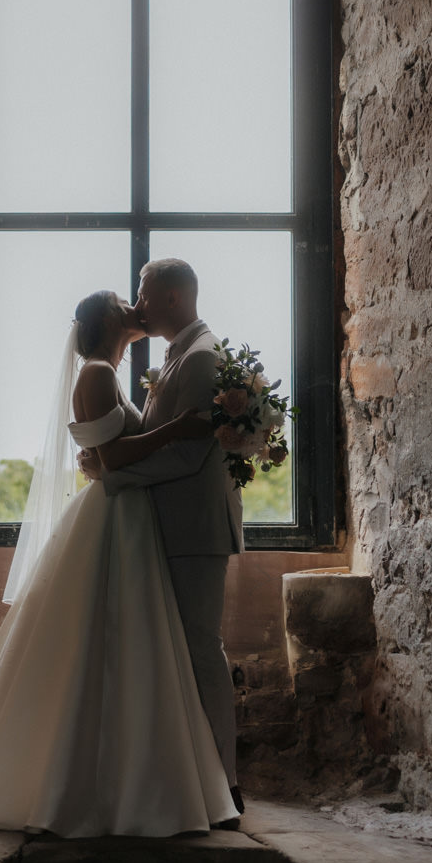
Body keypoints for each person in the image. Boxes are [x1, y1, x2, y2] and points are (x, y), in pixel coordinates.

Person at [0, 289, 238, 837]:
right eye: (123, 300)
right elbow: (112, 458)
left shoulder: (109, 370)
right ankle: (95, 782)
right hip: (116, 513)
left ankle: (141, 774)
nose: (135, 304)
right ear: (106, 319)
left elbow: (107, 455)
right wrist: (179, 428)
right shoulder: (95, 372)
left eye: (142, 295)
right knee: (108, 640)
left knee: (133, 644)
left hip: (128, 512)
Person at [81, 259, 245, 814]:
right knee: (176, 652)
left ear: (172, 297)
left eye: (145, 294)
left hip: (193, 528)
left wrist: (112, 472)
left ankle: (225, 783)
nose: (138, 304)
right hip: (166, 525)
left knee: (201, 650)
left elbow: (186, 452)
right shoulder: (177, 355)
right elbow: (157, 438)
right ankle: (185, 777)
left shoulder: (201, 358)